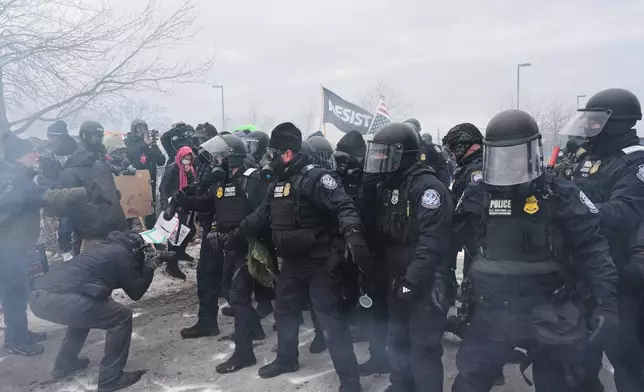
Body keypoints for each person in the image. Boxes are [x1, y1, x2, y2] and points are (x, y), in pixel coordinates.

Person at [451, 110, 619, 392]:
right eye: (501, 155)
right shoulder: (477, 194)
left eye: (516, 154)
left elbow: (593, 249)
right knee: (469, 381)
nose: (509, 163)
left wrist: (606, 302)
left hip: (551, 306)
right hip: (493, 307)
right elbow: (446, 241)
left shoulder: (561, 194)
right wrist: (435, 284)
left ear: (533, 152)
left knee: (564, 382)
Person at [228, 122, 371, 392]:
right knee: (285, 312)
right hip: (293, 263)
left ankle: (350, 381)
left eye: (273, 153)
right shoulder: (278, 181)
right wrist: (236, 234)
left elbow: (344, 206)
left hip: (319, 261)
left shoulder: (316, 178)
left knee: (330, 320)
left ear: (288, 153)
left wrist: (352, 234)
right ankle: (286, 359)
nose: (267, 158)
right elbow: (262, 214)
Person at [558, 88, 644, 392]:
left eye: (596, 123)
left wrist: (572, 210)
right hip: (584, 272)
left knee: (628, 360)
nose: (589, 129)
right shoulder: (589, 158)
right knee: (579, 360)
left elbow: (623, 212)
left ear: (617, 123)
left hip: (623, 277)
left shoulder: (635, 163)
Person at [362, 123, 453, 392]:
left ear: (403, 155)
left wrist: (411, 281)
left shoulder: (427, 188)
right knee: (397, 338)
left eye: (384, 154)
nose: (378, 160)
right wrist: (366, 191)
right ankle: (401, 385)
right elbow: (372, 226)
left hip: (426, 280)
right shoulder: (387, 185)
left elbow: (432, 242)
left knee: (423, 345)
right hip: (397, 276)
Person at [29, 231, 174, 391]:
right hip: (59, 299)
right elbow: (136, 292)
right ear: (134, 248)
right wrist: (151, 265)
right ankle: (111, 378)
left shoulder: (102, 251)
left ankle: (65, 363)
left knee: (86, 311)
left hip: (39, 297)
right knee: (121, 316)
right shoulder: (121, 254)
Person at [174, 134, 269, 372]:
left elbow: (264, 213)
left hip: (248, 247)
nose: (214, 161)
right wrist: (183, 201)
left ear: (231, 157)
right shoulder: (223, 181)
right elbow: (211, 204)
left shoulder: (252, 180)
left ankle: (244, 353)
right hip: (230, 246)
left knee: (237, 295)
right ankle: (254, 330)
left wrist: (241, 233)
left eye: (218, 157)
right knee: (228, 290)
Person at [0, 133, 87, 356]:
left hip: (17, 244)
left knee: (20, 291)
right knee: (15, 293)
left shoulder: (15, 175)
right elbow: (46, 197)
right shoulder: (12, 179)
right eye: (31, 152)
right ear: (20, 156)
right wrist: (84, 192)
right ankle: (16, 340)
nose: (35, 155)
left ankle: (21, 332)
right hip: (9, 246)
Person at [56, 121, 128, 252]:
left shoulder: (99, 160)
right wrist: (65, 238)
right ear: (84, 136)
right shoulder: (75, 163)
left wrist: (112, 193)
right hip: (93, 232)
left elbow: (104, 186)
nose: (98, 141)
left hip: (112, 225)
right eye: (95, 136)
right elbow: (67, 202)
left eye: (100, 136)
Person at [39, 120, 79, 258]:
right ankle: (67, 256)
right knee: (64, 229)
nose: (49, 140)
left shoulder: (76, 149)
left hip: (77, 192)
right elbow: (47, 176)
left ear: (60, 136)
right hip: (61, 195)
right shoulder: (49, 152)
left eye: (52, 137)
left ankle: (81, 254)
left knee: (80, 227)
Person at [124, 119, 166, 229]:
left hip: (149, 180)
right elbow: (132, 156)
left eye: (142, 128)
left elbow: (161, 161)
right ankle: (128, 236)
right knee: (131, 210)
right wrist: (144, 144)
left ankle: (152, 238)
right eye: (136, 128)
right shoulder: (129, 141)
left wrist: (153, 148)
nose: (139, 130)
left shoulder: (150, 143)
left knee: (150, 210)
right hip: (133, 180)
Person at [159, 145, 197, 266]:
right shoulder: (172, 168)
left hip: (185, 203)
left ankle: (180, 252)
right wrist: (166, 206)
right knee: (174, 233)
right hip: (173, 203)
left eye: (189, 159)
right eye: (185, 158)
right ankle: (172, 258)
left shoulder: (190, 169)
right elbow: (163, 187)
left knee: (188, 230)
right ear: (180, 157)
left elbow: (194, 185)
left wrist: (189, 174)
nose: (187, 161)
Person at [403, 118, 450, 184]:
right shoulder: (400, 147)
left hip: (427, 184)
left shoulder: (430, 148)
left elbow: (442, 166)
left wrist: (442, 185)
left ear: (418, 130)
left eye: (412, 128)